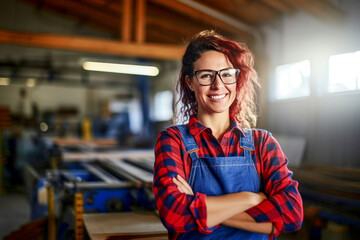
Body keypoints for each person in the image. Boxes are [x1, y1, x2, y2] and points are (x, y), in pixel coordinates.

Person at [153, 30, 303, 239]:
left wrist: (198, 206)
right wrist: (250, 199)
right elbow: (174, 215)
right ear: (189, 82)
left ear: (236, 79)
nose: (218, 85)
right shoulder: (174, 141)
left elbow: (292, 214)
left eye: (227, 74)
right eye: (206, 75)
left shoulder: (263, 143)